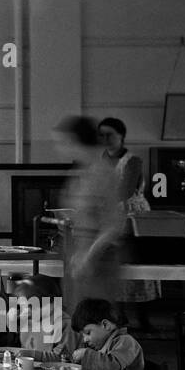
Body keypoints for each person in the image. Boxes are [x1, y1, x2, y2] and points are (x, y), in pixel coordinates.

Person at [56, 115, 125, 311]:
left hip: (96, 260)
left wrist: (88, 256)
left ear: (74, 141)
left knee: (93, 321)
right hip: (77, 253)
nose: (59, 147)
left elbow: (113, 224)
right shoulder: (81, 172)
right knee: (78, 318)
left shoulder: (102, 173)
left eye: (62, 142)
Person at [99, 117, 159, 330]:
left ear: (121, 137)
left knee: (136, 261)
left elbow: (123, 191)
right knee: (116, 263)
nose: (105, 139)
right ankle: (119, 315)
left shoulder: (132, 161)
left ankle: (143, 316)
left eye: (110, 135)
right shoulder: (101, 160)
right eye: (102, 135)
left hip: (133, 215)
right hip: (109, 214)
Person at [68, 297, 145, 370]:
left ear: (105, 325)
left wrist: (86, 354)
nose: (85, 339)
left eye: (88, 333)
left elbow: (112, 366)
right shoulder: (104, 345)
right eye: (83, 335)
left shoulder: (126, 341)